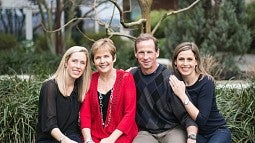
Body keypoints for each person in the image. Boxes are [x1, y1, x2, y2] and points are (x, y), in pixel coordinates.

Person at [130, 33, 198, 143]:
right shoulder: (131, 76)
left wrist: (192, 136)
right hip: (146, 132)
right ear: (135, 53)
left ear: (157, 53)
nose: (146, 57)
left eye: (149, 52)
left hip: (172, 130)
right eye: (141, 52)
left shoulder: (170, 79)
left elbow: (186, 115)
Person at [169, 42, 232, 143]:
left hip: (216, 132)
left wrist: (182, 95)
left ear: (196, 61)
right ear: (175, 62)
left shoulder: (206, 82)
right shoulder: (175, 82)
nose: (185, 63)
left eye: (189, 59)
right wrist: (135, 70)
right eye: (181, 59)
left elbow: (201, 120)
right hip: (195, 135)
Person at [80, 38, 138, 143]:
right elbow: (85, 114)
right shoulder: (89, 80)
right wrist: (88, 139)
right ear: (93, 61)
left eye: (106, 56)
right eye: (98, 58)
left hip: (121, 134)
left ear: (114, 58)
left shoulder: (126, 78)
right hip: (94, 135)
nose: (102, 61)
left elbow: (129, 114)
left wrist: (111, 139)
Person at [35, 46, 92, 143]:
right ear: (66, 62)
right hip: (49, 139)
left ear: (85, 67)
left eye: (82, 63)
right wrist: (65, 140)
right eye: (74, 61)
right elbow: (50, 125)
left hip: (72, 137)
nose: (78, 66)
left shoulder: (81, 88)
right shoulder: (50, 86)